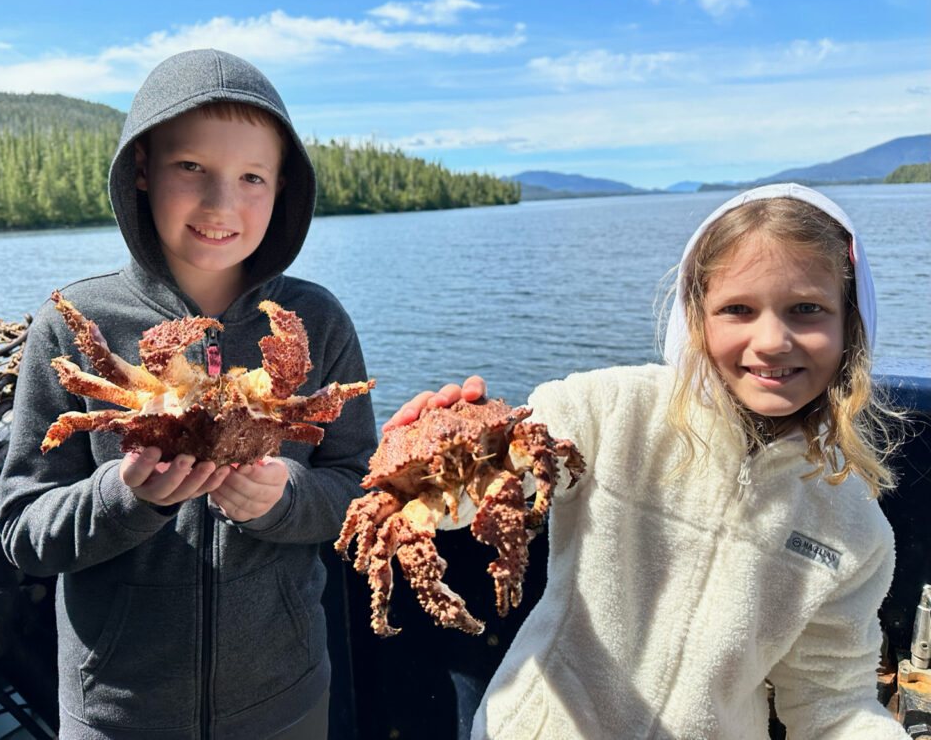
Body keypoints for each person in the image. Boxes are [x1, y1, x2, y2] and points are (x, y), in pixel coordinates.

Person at [387, 183, 908, 739]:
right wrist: (435, 470)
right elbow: (489, 490)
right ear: (695, 317)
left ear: (850, 325)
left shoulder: (853, 529)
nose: (772, 340)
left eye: (807, 310)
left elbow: (833, 704)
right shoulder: (606, 410)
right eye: (738, 309)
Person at [0, 48, 377, 739]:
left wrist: (286, 497)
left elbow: (355, 485)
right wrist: (125, 496)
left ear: (283, 187)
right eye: (191, 167)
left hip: (283, 697)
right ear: (141, 167)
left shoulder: (316, 324)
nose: (220, 202)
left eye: (252, 176)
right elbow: (22, 528)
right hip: (118, 711)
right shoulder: (75, 327)